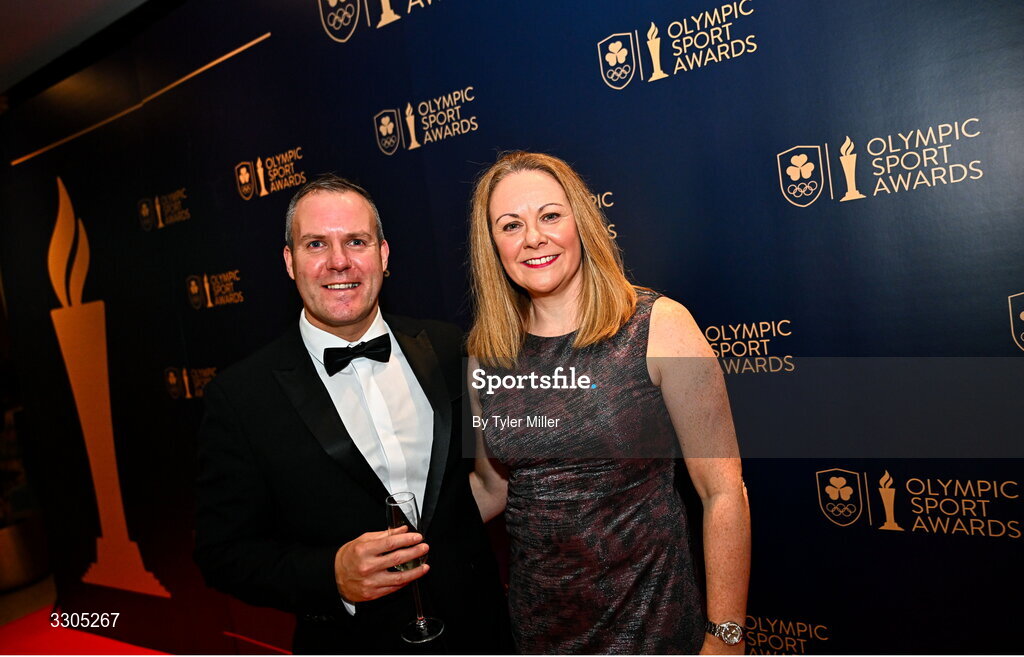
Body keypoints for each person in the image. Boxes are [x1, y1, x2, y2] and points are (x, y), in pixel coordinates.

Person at [194, 175, 509, 654]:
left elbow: (488, 485)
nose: (338, 261)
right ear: (289, 261)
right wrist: (330, 574)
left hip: (479, 633)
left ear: (383, 254)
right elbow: (223, 554)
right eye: (316, 243)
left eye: (355, 242)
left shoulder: (449, 348)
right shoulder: (240, 397)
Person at [467, 152, 751, 654]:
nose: (533, 237)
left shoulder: (658, 327)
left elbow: (723, 491)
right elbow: (494, 486)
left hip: (655, 629)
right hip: (538, 636)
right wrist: (400, 526)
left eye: (550, 216)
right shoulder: (485, 357)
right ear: (493, 246)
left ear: (582, 220)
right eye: (511, 225)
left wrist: (726, 638)